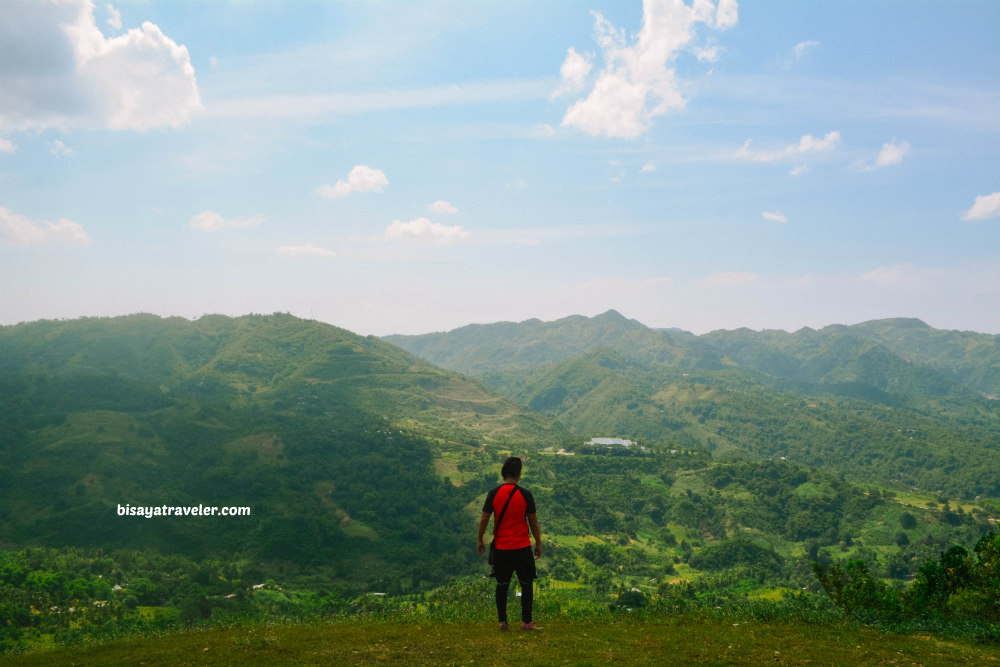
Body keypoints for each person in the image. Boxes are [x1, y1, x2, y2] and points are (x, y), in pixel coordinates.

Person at [476, 456, 543, 631]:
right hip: (521, 547)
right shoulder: (526, 495)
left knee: (502, 585)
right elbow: (533, 523)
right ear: (519, 473)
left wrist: (480, 539)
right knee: (526, 584)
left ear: (504, 473)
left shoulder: (493, 493)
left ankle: (503, 622)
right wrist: (538, 544)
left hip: (502, 548)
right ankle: (527, 622)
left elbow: (484, 519)